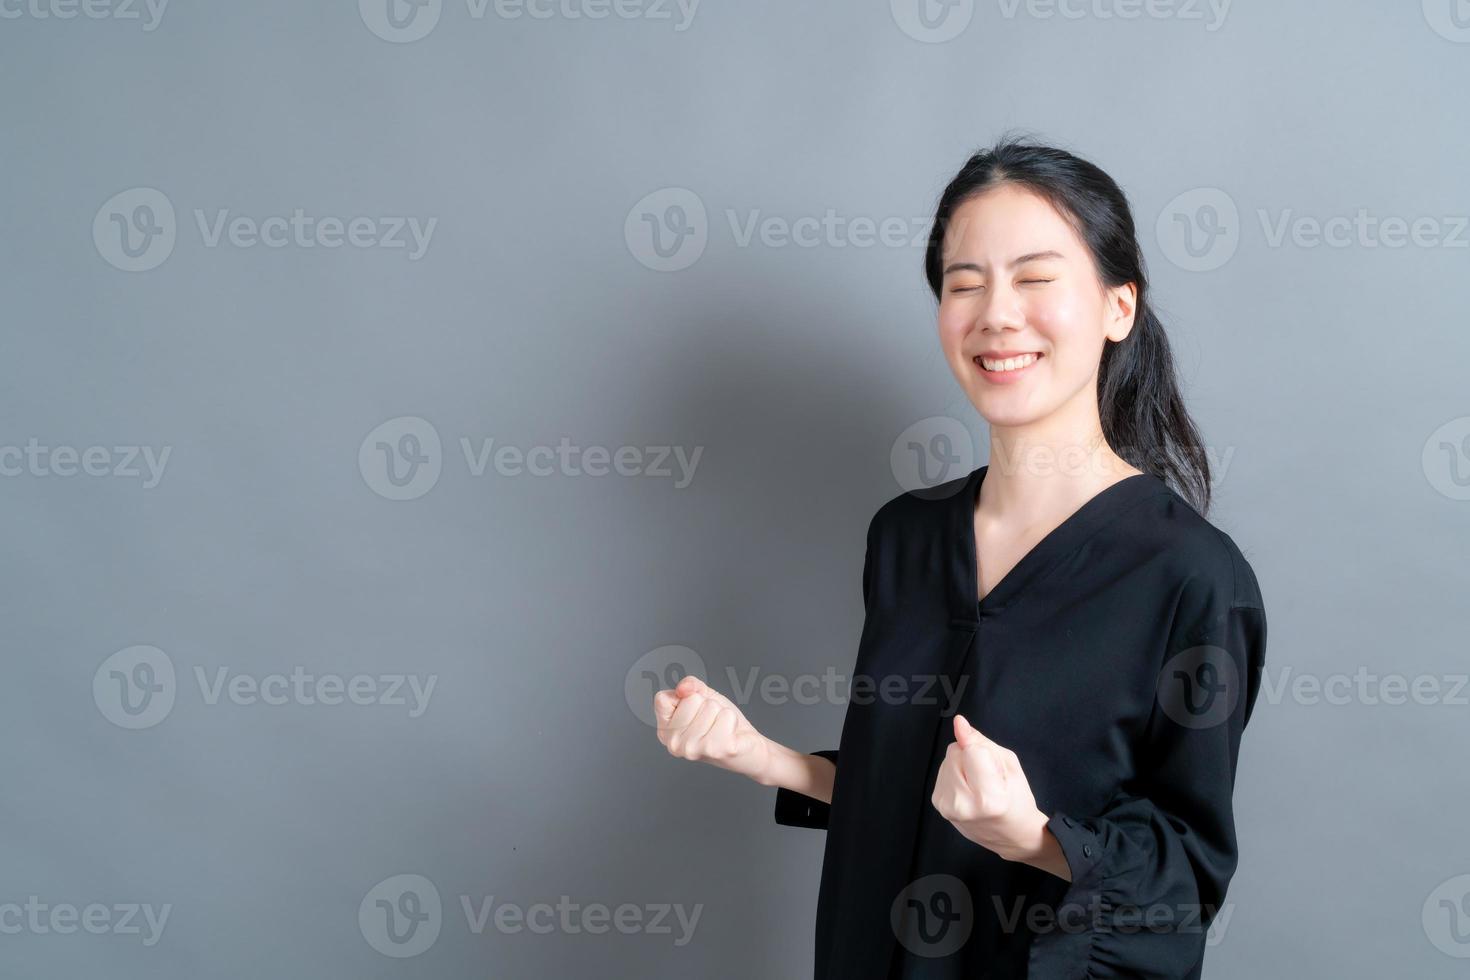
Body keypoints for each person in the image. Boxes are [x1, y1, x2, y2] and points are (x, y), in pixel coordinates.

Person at [653, 133, 1268, 979]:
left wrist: (1032, 836)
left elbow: (1184, 877)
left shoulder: (1191, 576)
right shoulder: (906, 537)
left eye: (1036, 278)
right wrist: (758, 756)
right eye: (964, 283)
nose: (996, 315)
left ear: (1119, 307)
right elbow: (903, 789)